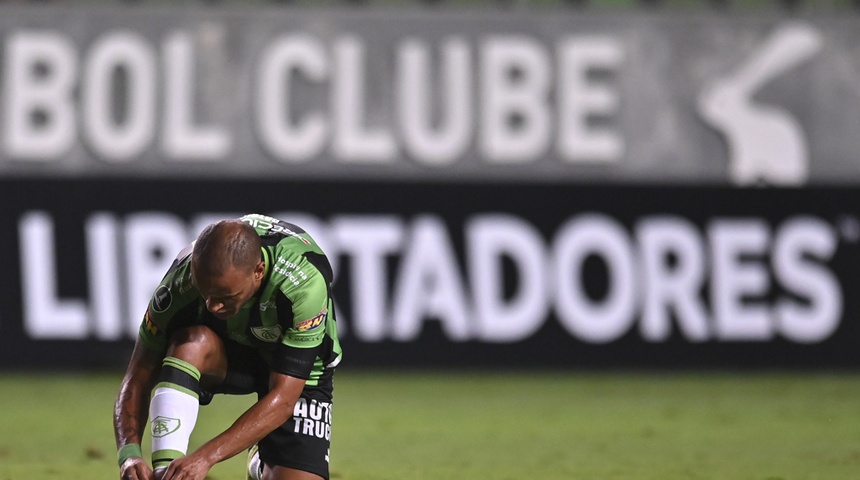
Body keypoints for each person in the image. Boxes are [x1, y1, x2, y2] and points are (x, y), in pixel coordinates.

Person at [113, 213, 342, 480]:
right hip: (229, 353)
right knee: (190, 342)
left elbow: (284, 399)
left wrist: (205, 458)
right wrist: (128, 454)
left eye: (225, 296)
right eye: (205, 293)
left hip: (299, 373)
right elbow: (138, 375)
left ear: (258, 272)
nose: (212, 306)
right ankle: (168, 472)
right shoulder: (179, 283)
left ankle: (262, 463)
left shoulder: (304, 285)